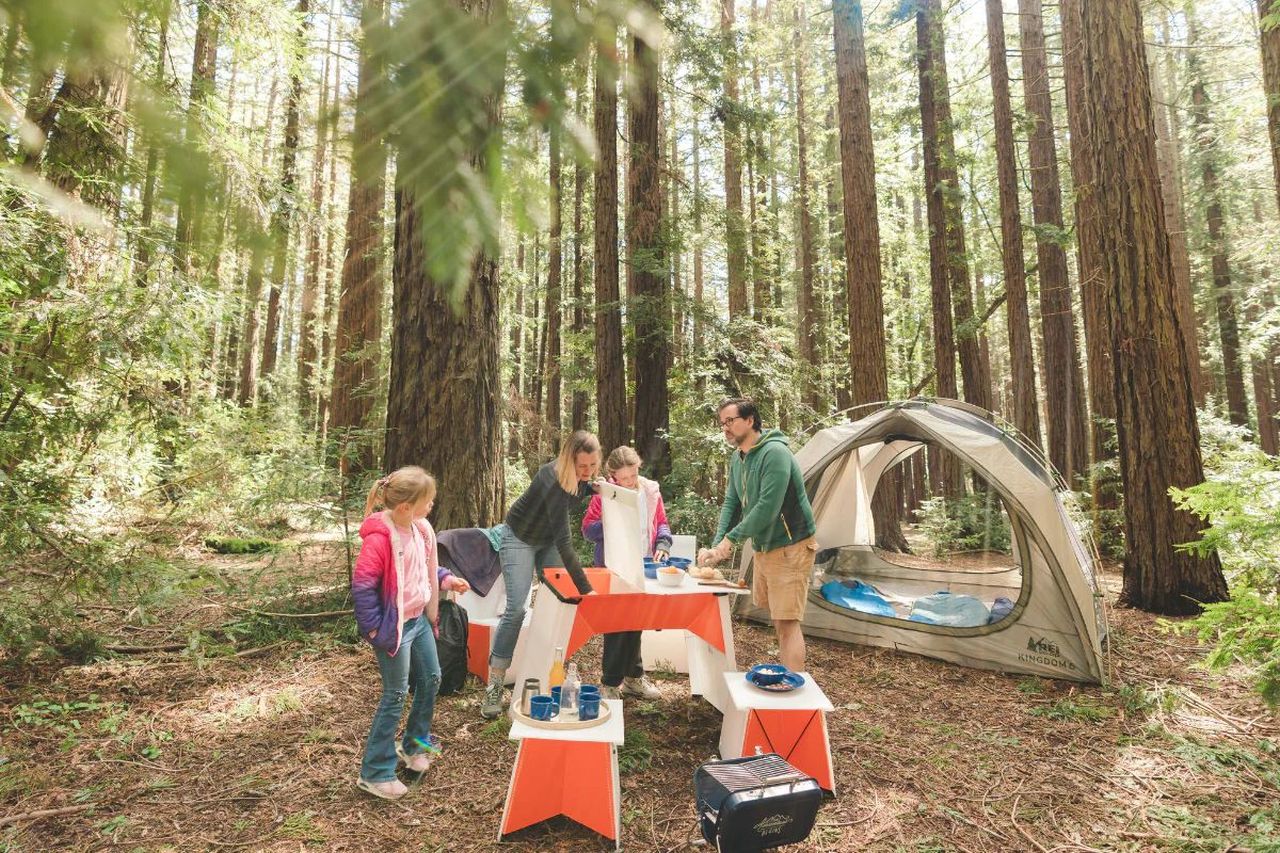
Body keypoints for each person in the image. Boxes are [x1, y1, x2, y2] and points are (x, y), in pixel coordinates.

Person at [352, 466, 471, 800]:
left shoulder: (420, 529)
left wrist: (446, 580)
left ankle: (414, 745)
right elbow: (363, 587)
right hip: (394, 628)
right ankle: (375, 772)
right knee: (395, 694)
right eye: (427, 501)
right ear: (405, 507)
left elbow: (424, 568)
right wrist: (375, 629)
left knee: (432, 678)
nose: (431, 505)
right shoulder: (380, 539)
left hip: (418, 621)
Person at [481, 430, 602, 719]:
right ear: (568, 461)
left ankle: (548, 670)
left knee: (559, 601)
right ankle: (495, 683)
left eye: (592, 465)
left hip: (546, 540)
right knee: (516, 609)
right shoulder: (551, 479)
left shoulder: (579, 478)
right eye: (582, 466)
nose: (587, 471)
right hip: (519, 538)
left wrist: (597, 488)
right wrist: (586, 588)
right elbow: (565, 542)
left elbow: (580, 490)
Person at [697, 398, 818, 672]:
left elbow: (768, 507)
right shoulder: (738, 458)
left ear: (750, 420)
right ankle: (790, 681)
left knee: (787, 623)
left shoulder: (775, 453)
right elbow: (732, 503)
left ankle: (794, 687)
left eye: (730, 421)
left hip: (791, 545)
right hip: (766, 546)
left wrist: (732, 539)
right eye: (722, 423)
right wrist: (717, 545)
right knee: (779, 620)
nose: (725, 428)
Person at [582, 446, 670, 701]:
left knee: (636, 622)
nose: (630, 482)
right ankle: (609, 683)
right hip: (613, 566)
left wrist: (663, 544)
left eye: (633, 476)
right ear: (613, 476)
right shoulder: (605, 493)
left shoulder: (650, 491)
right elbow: (587, 530)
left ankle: (633, 678)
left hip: (643, 565)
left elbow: (661, 523)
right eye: (623, 479)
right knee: (616, 624)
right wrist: (611, 521)